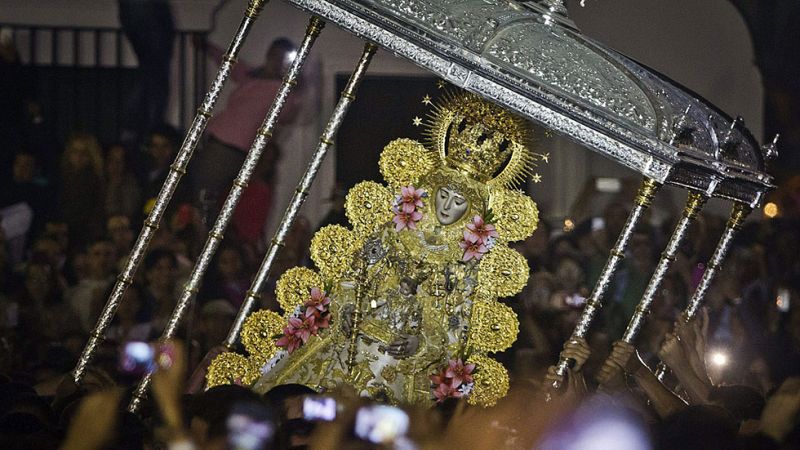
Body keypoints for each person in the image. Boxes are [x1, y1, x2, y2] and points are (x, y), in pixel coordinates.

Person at [209, 92, 542, 408]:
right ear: (430, 193)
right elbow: (353, 276)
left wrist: (421, 344)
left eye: (458, 203)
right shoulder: (394, 230)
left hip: (403, 361)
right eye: (443, 196)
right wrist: (350, 309)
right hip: (354, 338)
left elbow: (456, 325)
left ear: (470, 210)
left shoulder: (464, 261)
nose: (447, 207)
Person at [190, 37, 302, 203]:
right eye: (275, 56)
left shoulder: (282, 90)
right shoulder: (251, 76)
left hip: (231, 148)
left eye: (282, 59)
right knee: (203, 192)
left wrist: (296, 87)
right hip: (216, 139)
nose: (277, 62)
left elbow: (287, 116)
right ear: (269, 55)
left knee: (203, 194)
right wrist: (207, 46)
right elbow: (230, 63)